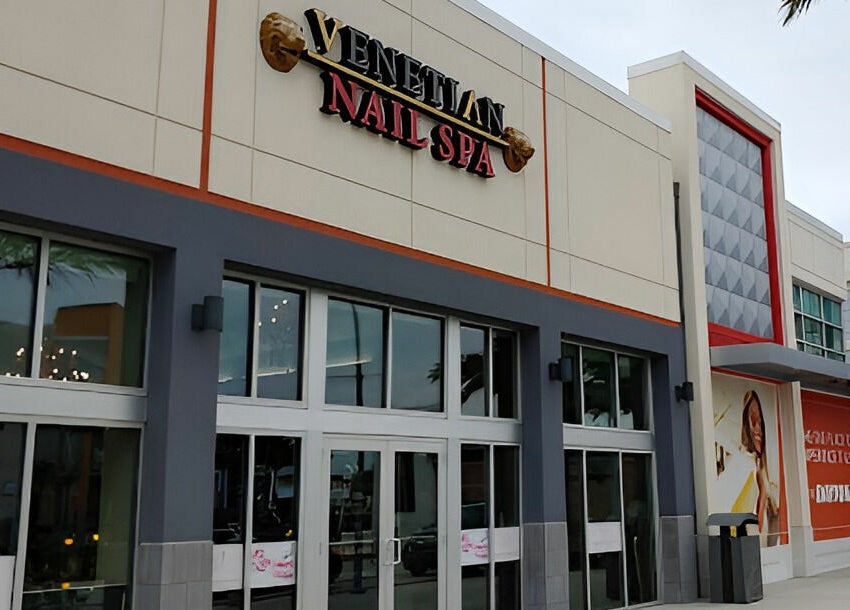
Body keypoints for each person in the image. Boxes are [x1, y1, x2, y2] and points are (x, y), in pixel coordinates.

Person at [737, 390, 780, 546]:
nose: (757, 428)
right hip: (750, 543)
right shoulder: (744, 465)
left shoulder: (762, 472)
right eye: (752, 419)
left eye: (760, 422)